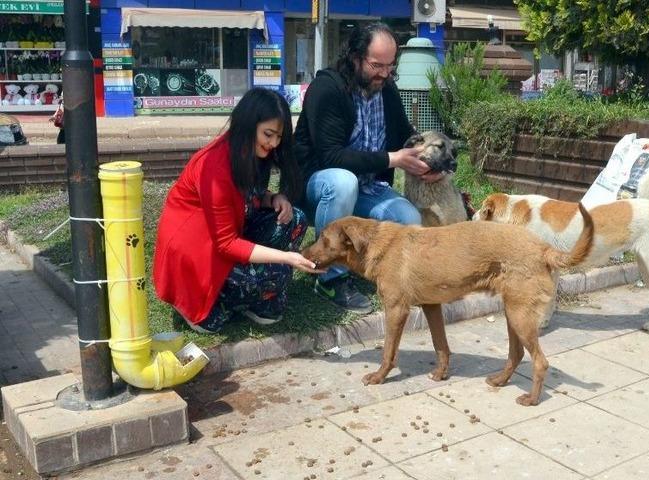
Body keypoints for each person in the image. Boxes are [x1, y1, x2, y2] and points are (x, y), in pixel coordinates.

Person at [293, 22, 443, 313]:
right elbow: (331, 157)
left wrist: (428, 161)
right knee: (342, 182)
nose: (384, 74)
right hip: (319, 188)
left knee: (407, 216)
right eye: (377, 65)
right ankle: (330, 278)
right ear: (355, 57)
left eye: (390, 66)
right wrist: (392, 159)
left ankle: (392, 275)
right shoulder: (327, 89)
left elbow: (404, 134)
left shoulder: (386, 89)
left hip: (367, 187)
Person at [153, 87, 323, 334]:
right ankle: (212, 302)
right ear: (247, 124)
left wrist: (272, 198)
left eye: (279, 137)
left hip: (226, 238)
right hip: (197, 258)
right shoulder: (215, 168)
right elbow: (225, 244)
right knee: (279, 272)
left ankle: (248, 295)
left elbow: (246, 196)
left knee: (294, 219)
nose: (274, 144)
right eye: (268, 134)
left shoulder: (249, 153)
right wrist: (286, 257)